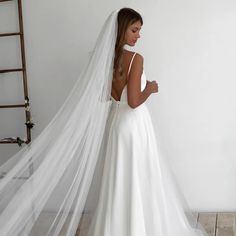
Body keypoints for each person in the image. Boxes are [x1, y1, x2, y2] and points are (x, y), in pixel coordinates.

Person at [78, 7, 208, 236]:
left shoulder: (103, 59)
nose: (138, 35)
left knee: (119, 180)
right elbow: (135, 101)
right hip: (134, 126)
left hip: (116, 125)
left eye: (139, 31)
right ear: (121, 30)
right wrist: (150, 88)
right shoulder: (135, 59)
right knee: (141, 177)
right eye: (134, 30)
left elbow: (101, 97)